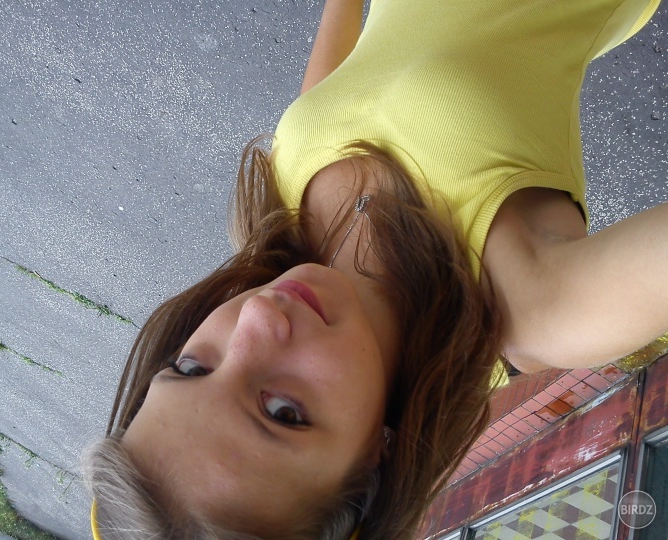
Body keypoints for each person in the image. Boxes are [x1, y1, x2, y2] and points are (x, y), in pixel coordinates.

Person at [83, 0, 667, 538]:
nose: (257, 317)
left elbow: (331, 92)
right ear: (371, 464)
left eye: (191, 368)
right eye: (282, 412)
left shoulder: (277, 230)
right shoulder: (534, 307)